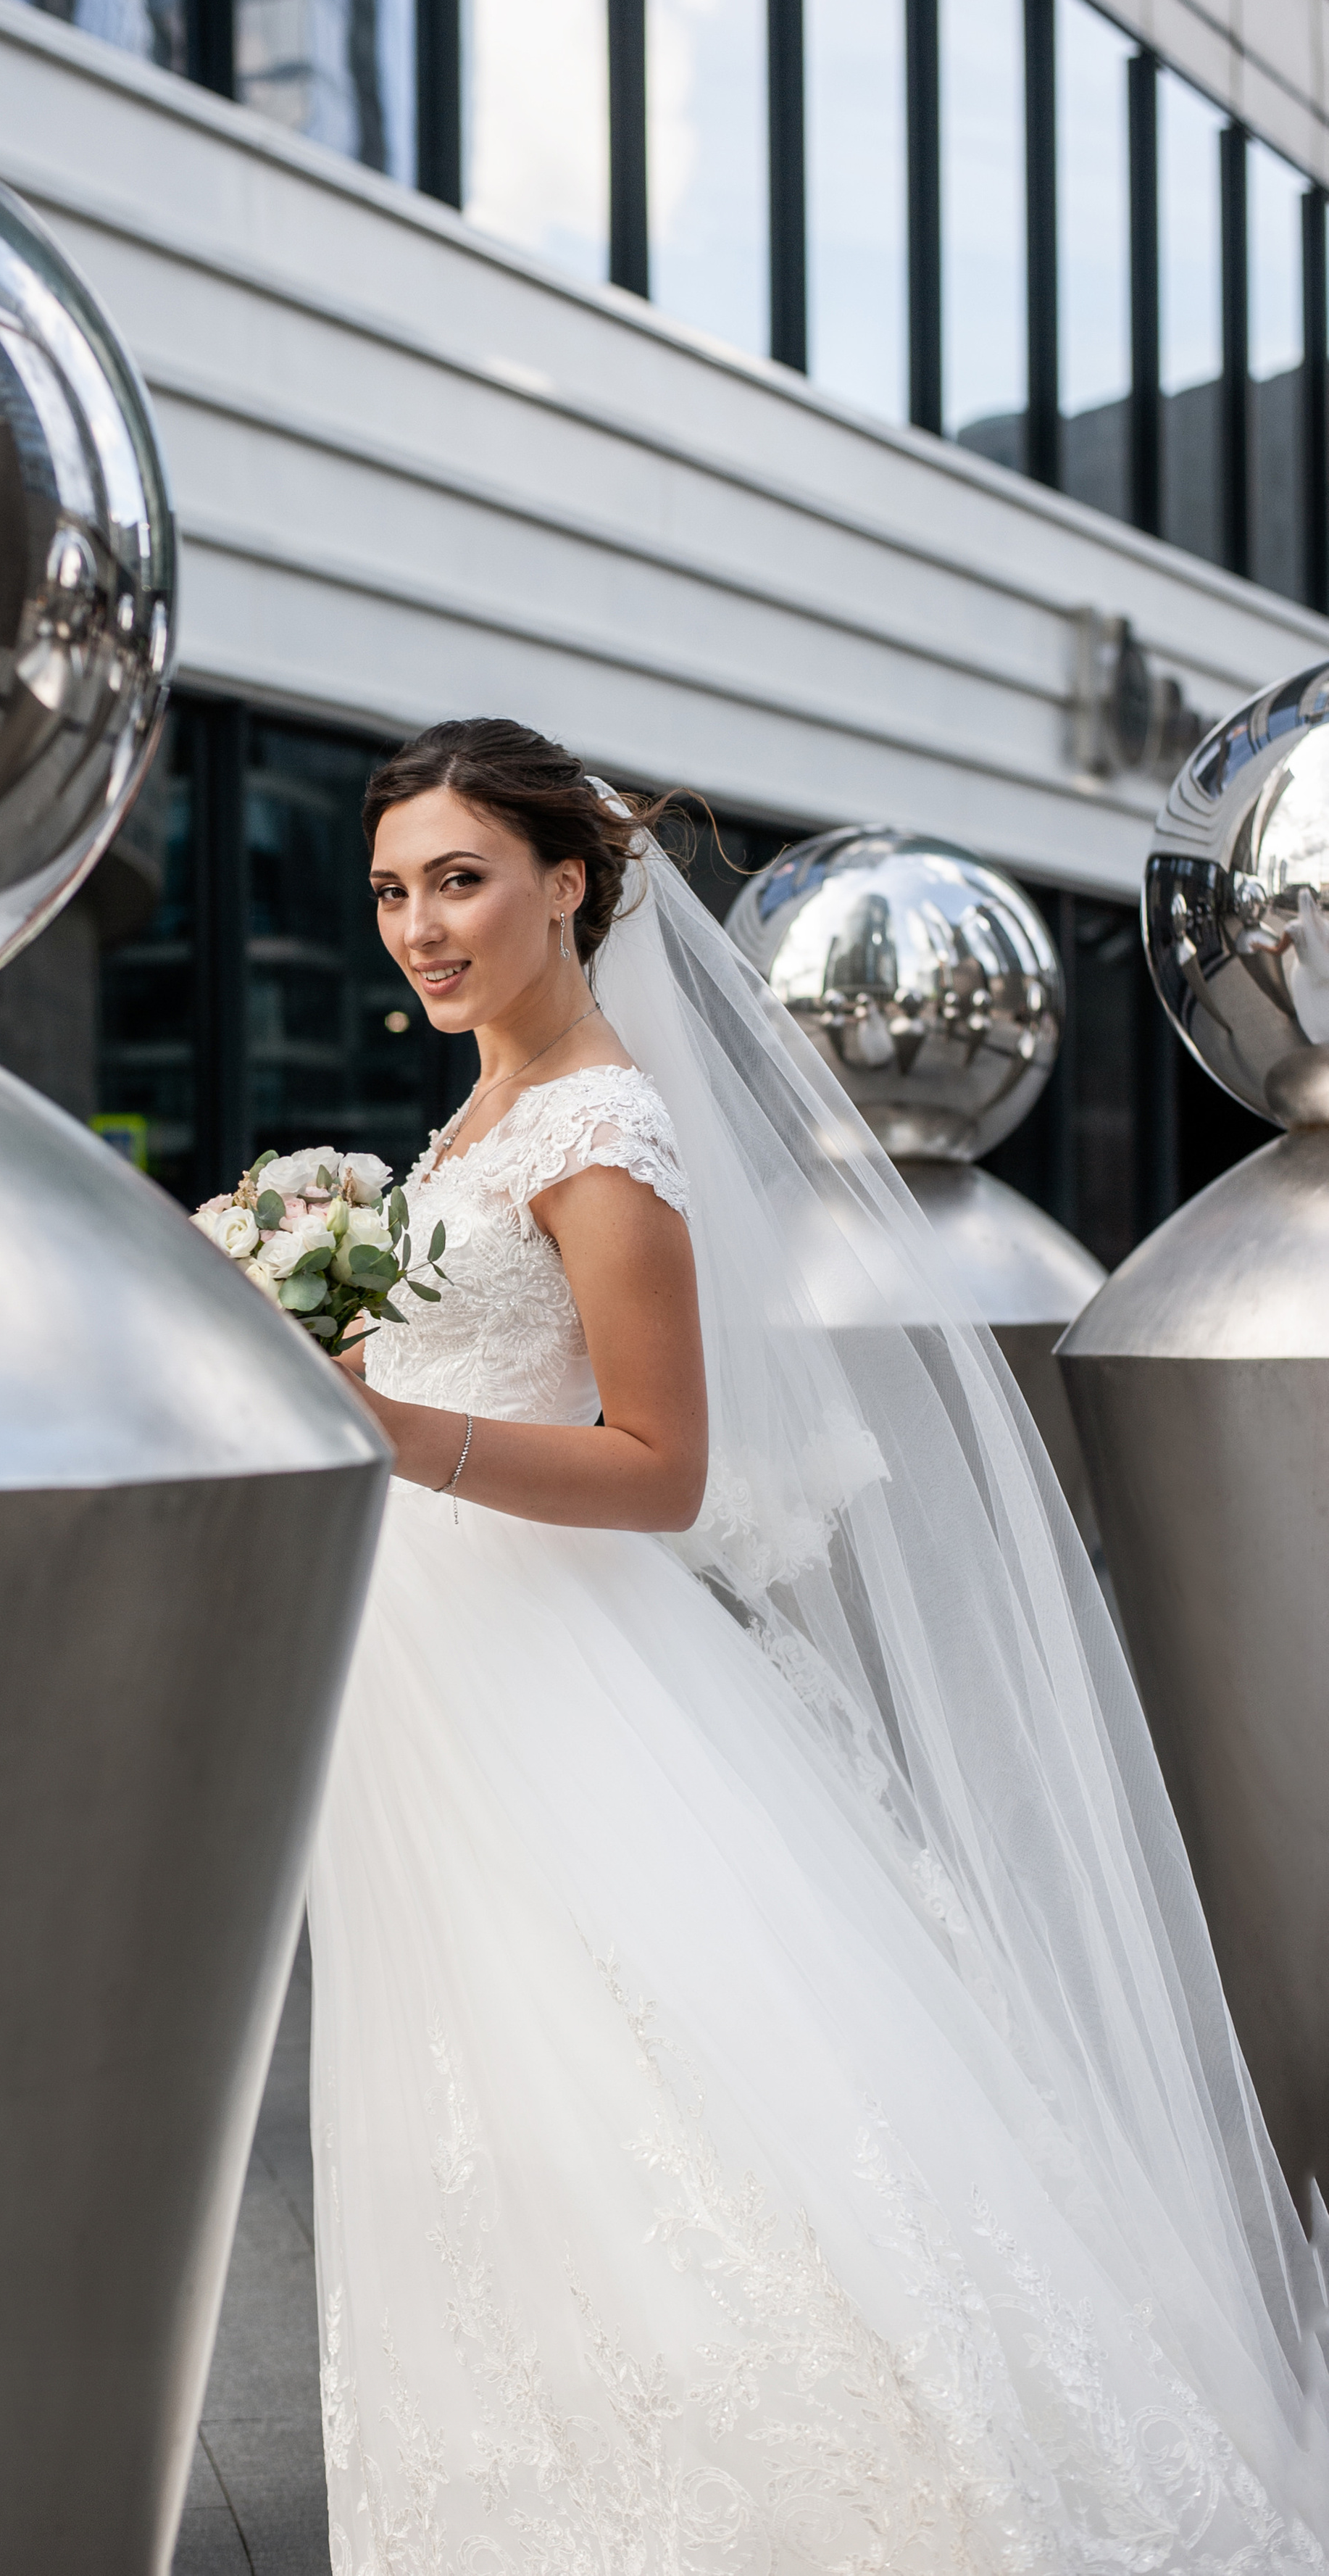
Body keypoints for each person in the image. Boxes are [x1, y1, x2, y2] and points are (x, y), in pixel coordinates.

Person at [311, 717, 1329, 2575]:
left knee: (646, 2102)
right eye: (391, 890)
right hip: (444, 1679)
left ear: (567, 882)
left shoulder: (602, 1126)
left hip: (561, 1675)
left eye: (458, 878)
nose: (418, 926)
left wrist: (382, 1427)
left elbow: (661, 1465)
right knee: (491, 2108)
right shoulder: (478, 1110)